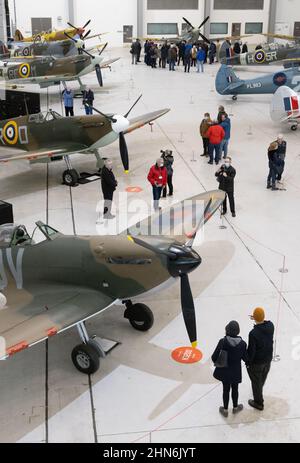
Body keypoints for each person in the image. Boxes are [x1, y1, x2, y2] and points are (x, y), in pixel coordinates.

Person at [212, 321, 248, 418]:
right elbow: (246, 358)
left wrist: (219, 362)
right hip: (236, 372)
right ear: (238, 331)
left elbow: (213, 357)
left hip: (225, 371)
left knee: (225, 390)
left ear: (227, 330)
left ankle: (225, 410)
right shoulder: (243, 344)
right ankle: (235, 408)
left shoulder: (222, 342)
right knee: (235, 389)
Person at [247, 308, 274, 411]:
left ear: (254, 318)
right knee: (262, 378)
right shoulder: (271, 326)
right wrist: (258, 319)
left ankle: (258, 403)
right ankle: (259, 389)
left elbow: (251, 351)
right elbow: (265, 322)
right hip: (268, 359)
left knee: (256, 381)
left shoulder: (253, 333)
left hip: (257, 363)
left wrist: (248, 363)